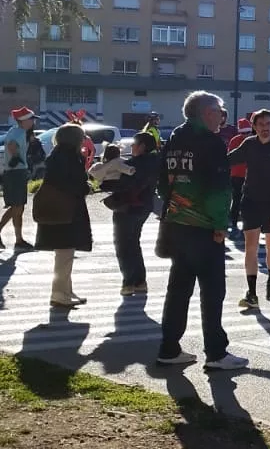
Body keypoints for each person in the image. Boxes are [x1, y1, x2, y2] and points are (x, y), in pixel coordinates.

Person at [157, 90, 248, 371]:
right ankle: (216, 353)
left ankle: (169, 348)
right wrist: (221, 224)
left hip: (177, 224)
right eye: (220, 112)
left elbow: (162, 181)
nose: (223, 117)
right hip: (204, 227)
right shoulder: (210, 143)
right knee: (212, 292)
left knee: (178, 290)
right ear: (207, 113)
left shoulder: (174, 139)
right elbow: (219, 190)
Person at [227, 109, 270, 308]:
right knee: (251, 247)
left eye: (268, 124)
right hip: (251, 202)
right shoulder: (249, 144)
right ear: (254, 126)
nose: (264, 128)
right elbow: (228, 159)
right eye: (260, 124)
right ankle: (252, 292)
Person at [32, 122, 92, 309]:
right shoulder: (72, 158)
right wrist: (87, 187)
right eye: (82, 136)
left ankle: (66, 290)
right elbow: (76, 184)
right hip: (68, 210)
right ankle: (59, 294)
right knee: (65, 253)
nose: (84, 140)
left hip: (57, 208)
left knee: (64, 253)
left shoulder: (56, 155)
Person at [96, 132, 158, 296]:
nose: (131, 147)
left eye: (134, 144)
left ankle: (129, 282)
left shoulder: (133, 164)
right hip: (144, 207)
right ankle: (140, 281)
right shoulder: (156, 162)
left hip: (126, 207)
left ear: (142, 146)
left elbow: (119, 184)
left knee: (123, 245)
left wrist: (103, 184)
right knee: (134, 242)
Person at [0, 107, 38, 251]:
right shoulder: (18, 132)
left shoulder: (20, 132)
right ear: (24, 120)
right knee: (17, 206)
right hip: (16, 172)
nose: (33, 122)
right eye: (32, 119)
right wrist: (16, 157)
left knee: (18, 207)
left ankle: (17, 239)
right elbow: (11, 146)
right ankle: (0, 235)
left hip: (17, 172)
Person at [226, 117, 252, 233]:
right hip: (237, 175)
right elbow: (232, 157)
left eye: (248, 132)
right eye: (244, 133)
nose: (246, 135)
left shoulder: (253, 140)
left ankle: (247, 224)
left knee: (248, 201)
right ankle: (234, 223)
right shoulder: (235, 141)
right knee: (236, 200)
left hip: (250, 175)